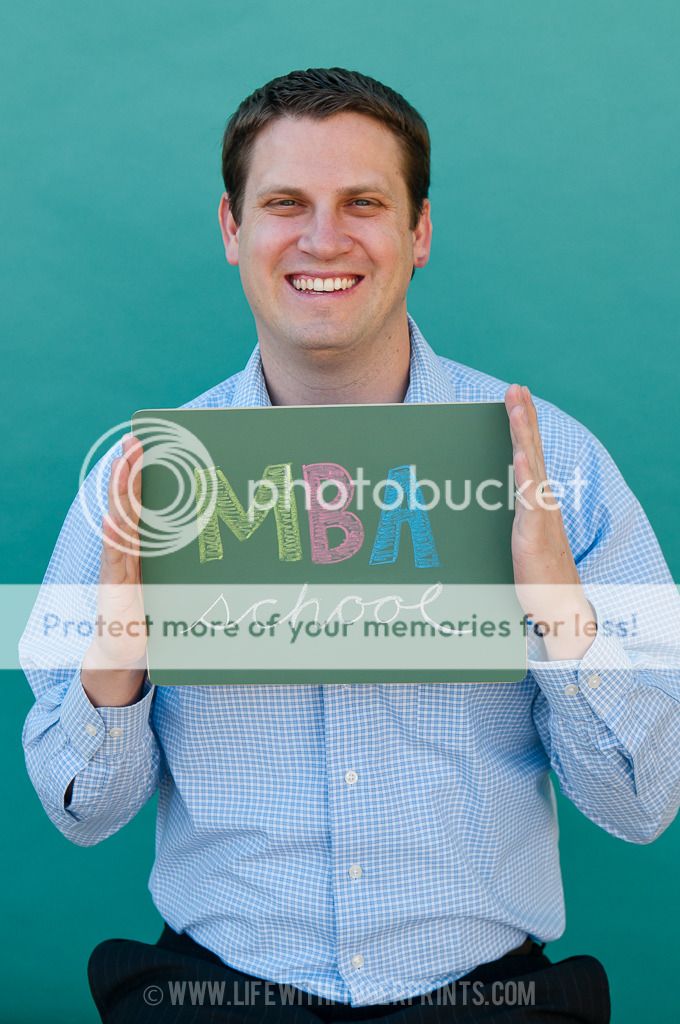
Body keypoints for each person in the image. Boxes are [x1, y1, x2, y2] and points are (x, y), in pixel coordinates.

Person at [20, 68, 680, 1024]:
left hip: (491, 997)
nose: (323, 239)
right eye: (285, 203)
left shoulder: (558, 467)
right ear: (231, 228)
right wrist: (117, 662)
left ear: (419, 232)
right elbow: (81, 812)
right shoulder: (142, 483)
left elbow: (643, 805)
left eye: (363, 204)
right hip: (213, 994)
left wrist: (562, 619)